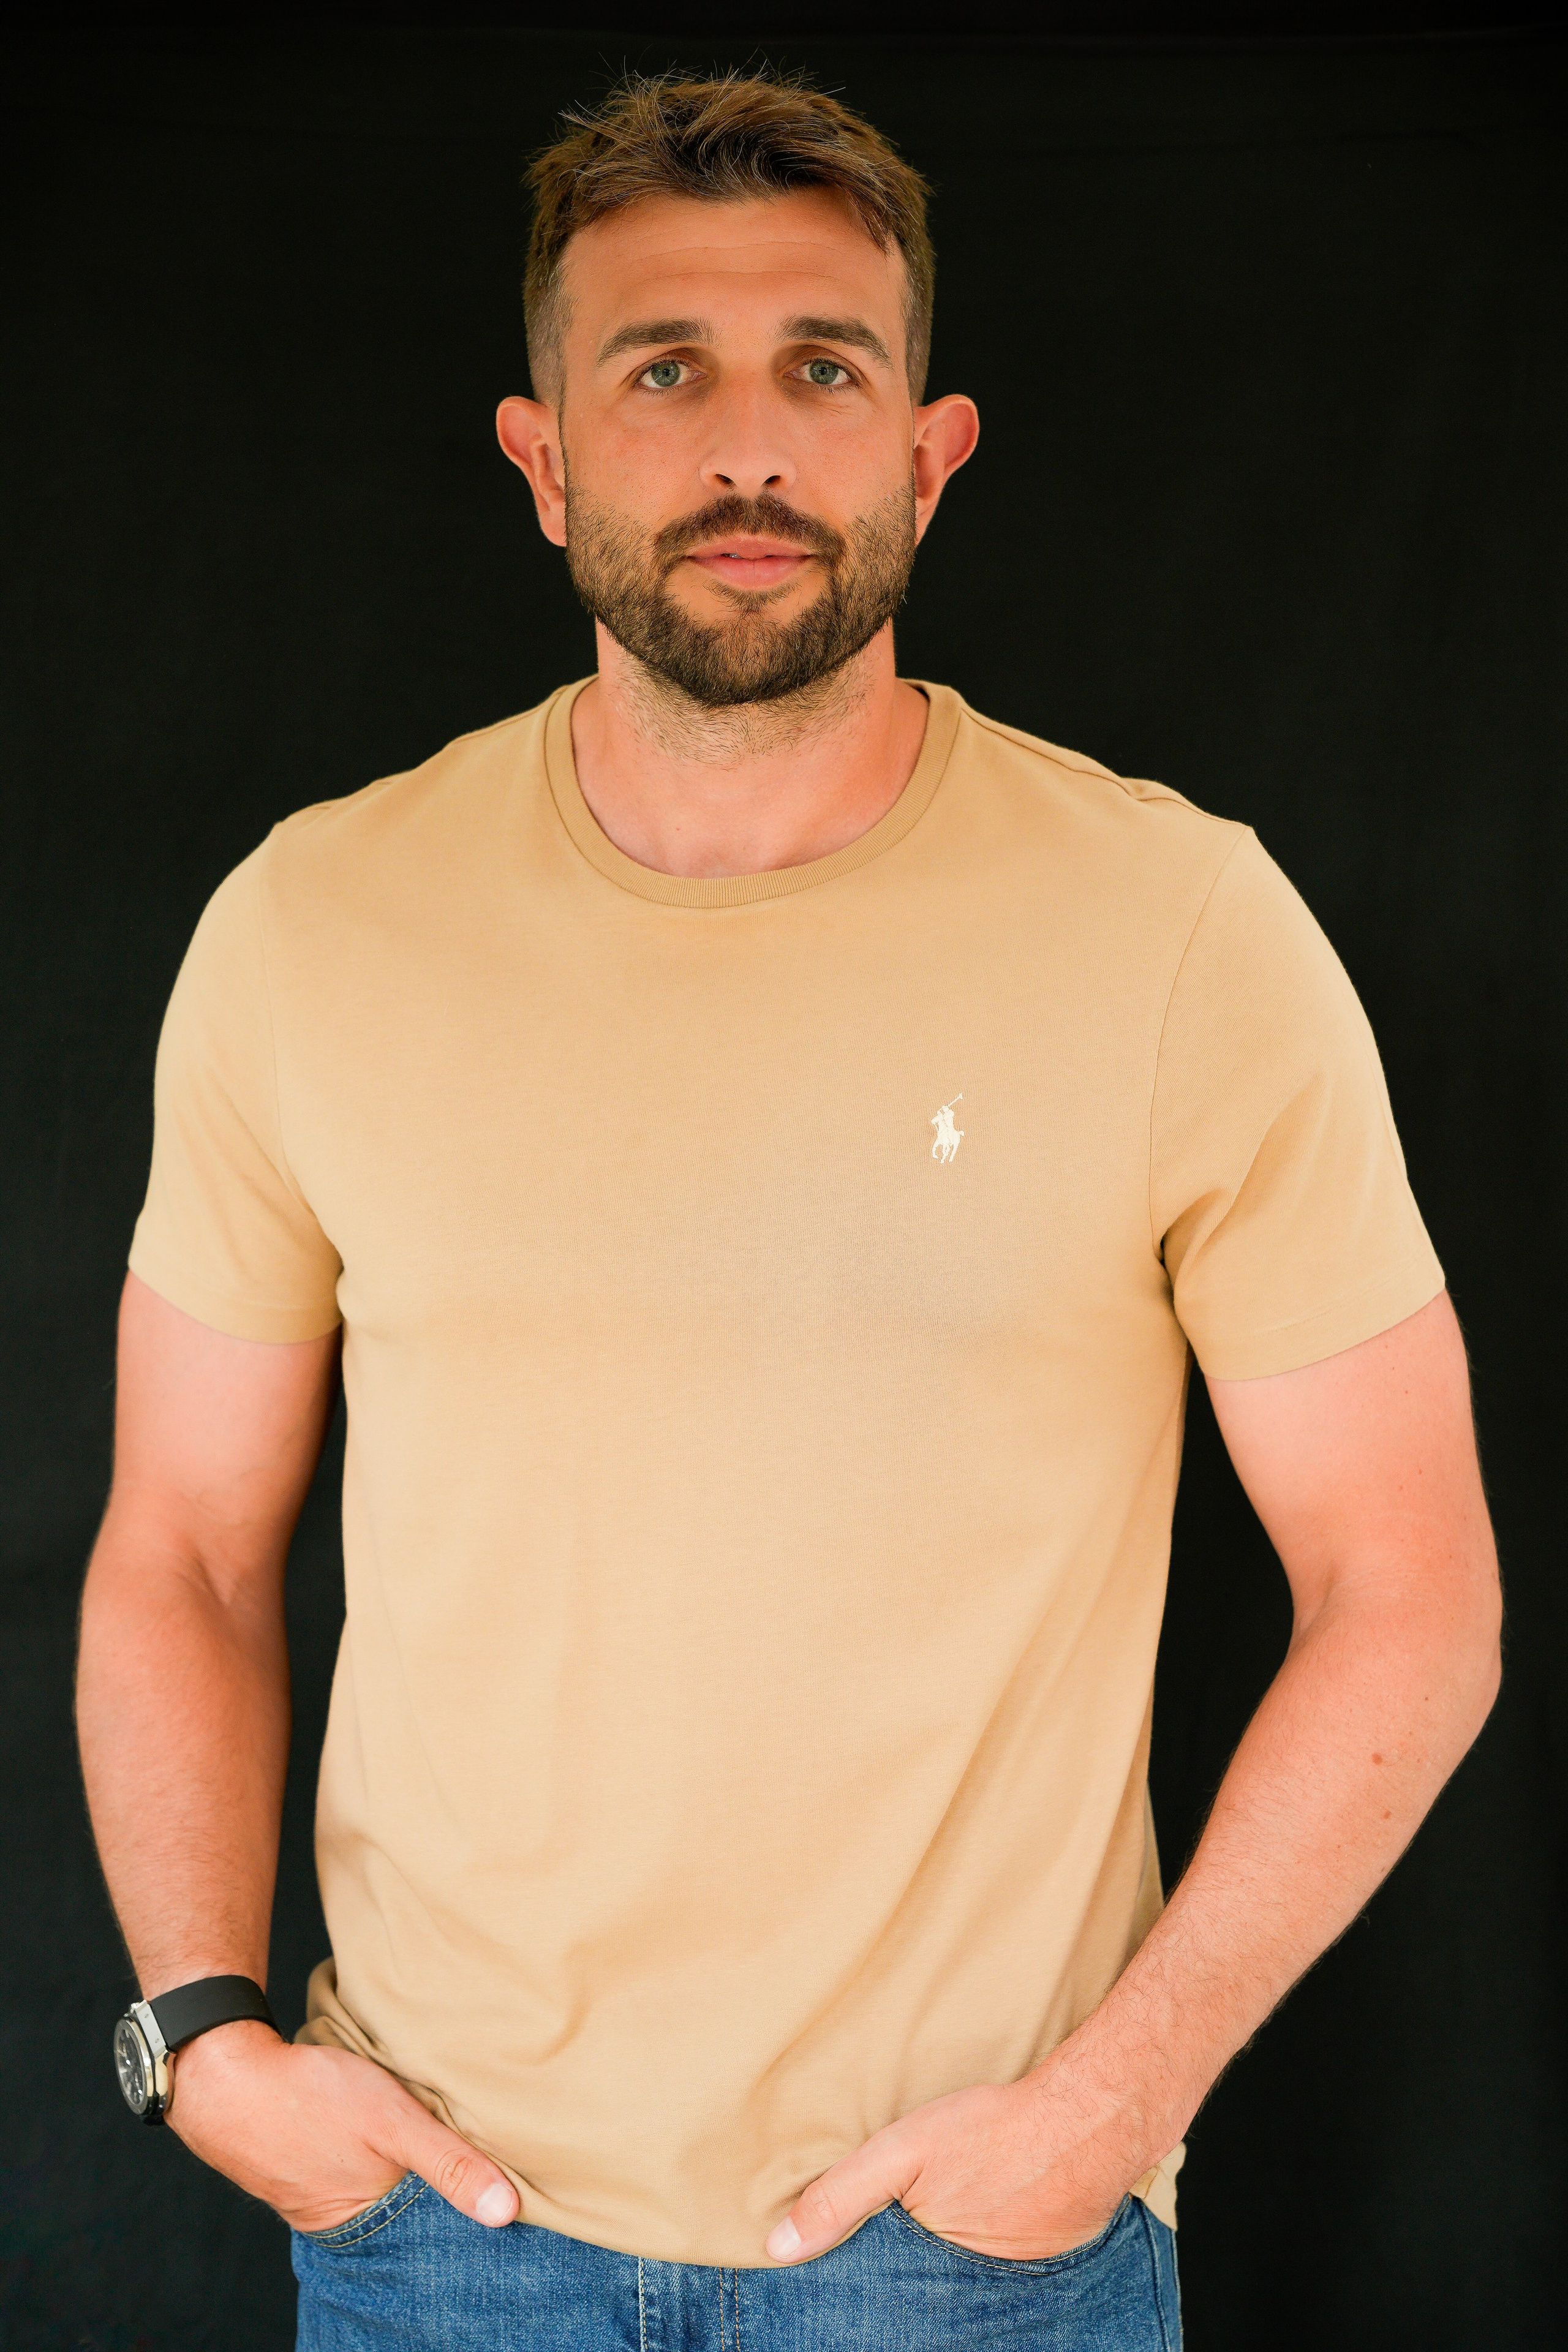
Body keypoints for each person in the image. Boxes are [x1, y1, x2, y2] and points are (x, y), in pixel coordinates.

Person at [77, 69, 1501, 2352]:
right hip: (439, 2230)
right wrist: (200, 2036)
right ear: (544, 461)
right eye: (664, 370)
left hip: (978, 2247)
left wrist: (1112, 2107)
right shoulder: (311, 930)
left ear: (926, 453)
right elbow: (183, 1541)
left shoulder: (1182, 934)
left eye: (822, 368)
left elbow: (1411, 1586)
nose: (749, 444)